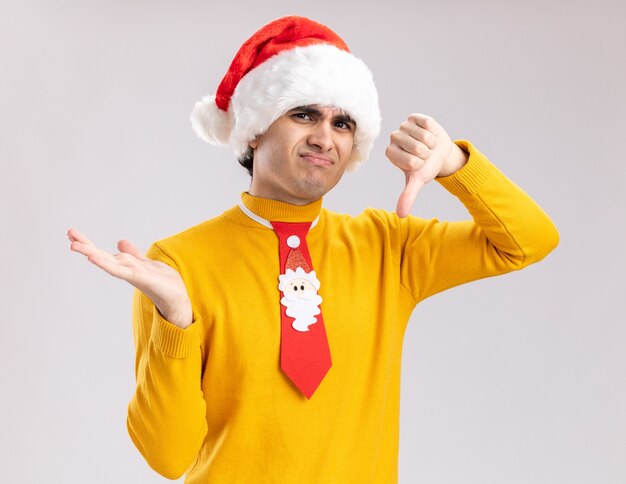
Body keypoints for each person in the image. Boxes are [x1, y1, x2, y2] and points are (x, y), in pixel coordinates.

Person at [67, 15, 559, 483]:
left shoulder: (389, 246)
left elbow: (530, 241)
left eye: (342, 123)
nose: (325, 137)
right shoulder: (176, 266)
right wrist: (175, 319)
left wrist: (456, 165)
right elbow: (168, 457)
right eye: (303, 114)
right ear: (255, 129)